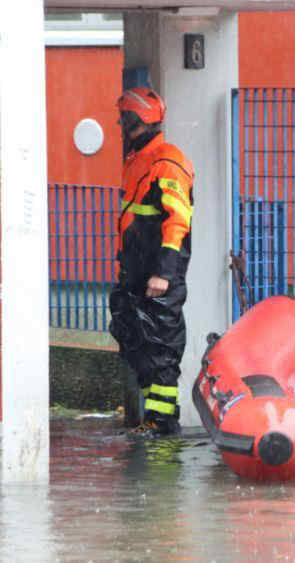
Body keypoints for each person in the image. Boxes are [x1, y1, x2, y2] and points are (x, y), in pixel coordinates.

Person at [109, 86, 195, 439]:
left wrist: (163, 273)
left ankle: (162, 424)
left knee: (160, 350)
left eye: (124, 119)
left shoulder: (166, 162)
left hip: (158, 275)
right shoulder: (140, 160)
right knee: (140, 344)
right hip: (138, 272)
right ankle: (151, 421)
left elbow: (177, 222)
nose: (120, 125)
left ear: (136, 121)